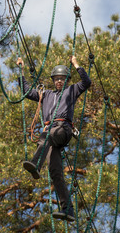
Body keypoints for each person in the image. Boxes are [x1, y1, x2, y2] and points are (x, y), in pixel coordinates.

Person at [17, 56, 91, 222]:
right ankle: (68, 209)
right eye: (57, 79)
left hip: (62, 130)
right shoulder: (46, 94)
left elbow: (87, 82)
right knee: (55, 172)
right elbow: (27, 91)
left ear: (67, 80)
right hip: (51, 137)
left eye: (62, 79)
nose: (59, 81)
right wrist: (21, 70)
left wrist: (76, 64)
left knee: (48, 134)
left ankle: (36, 163)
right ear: (53, 81)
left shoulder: (71, 90)